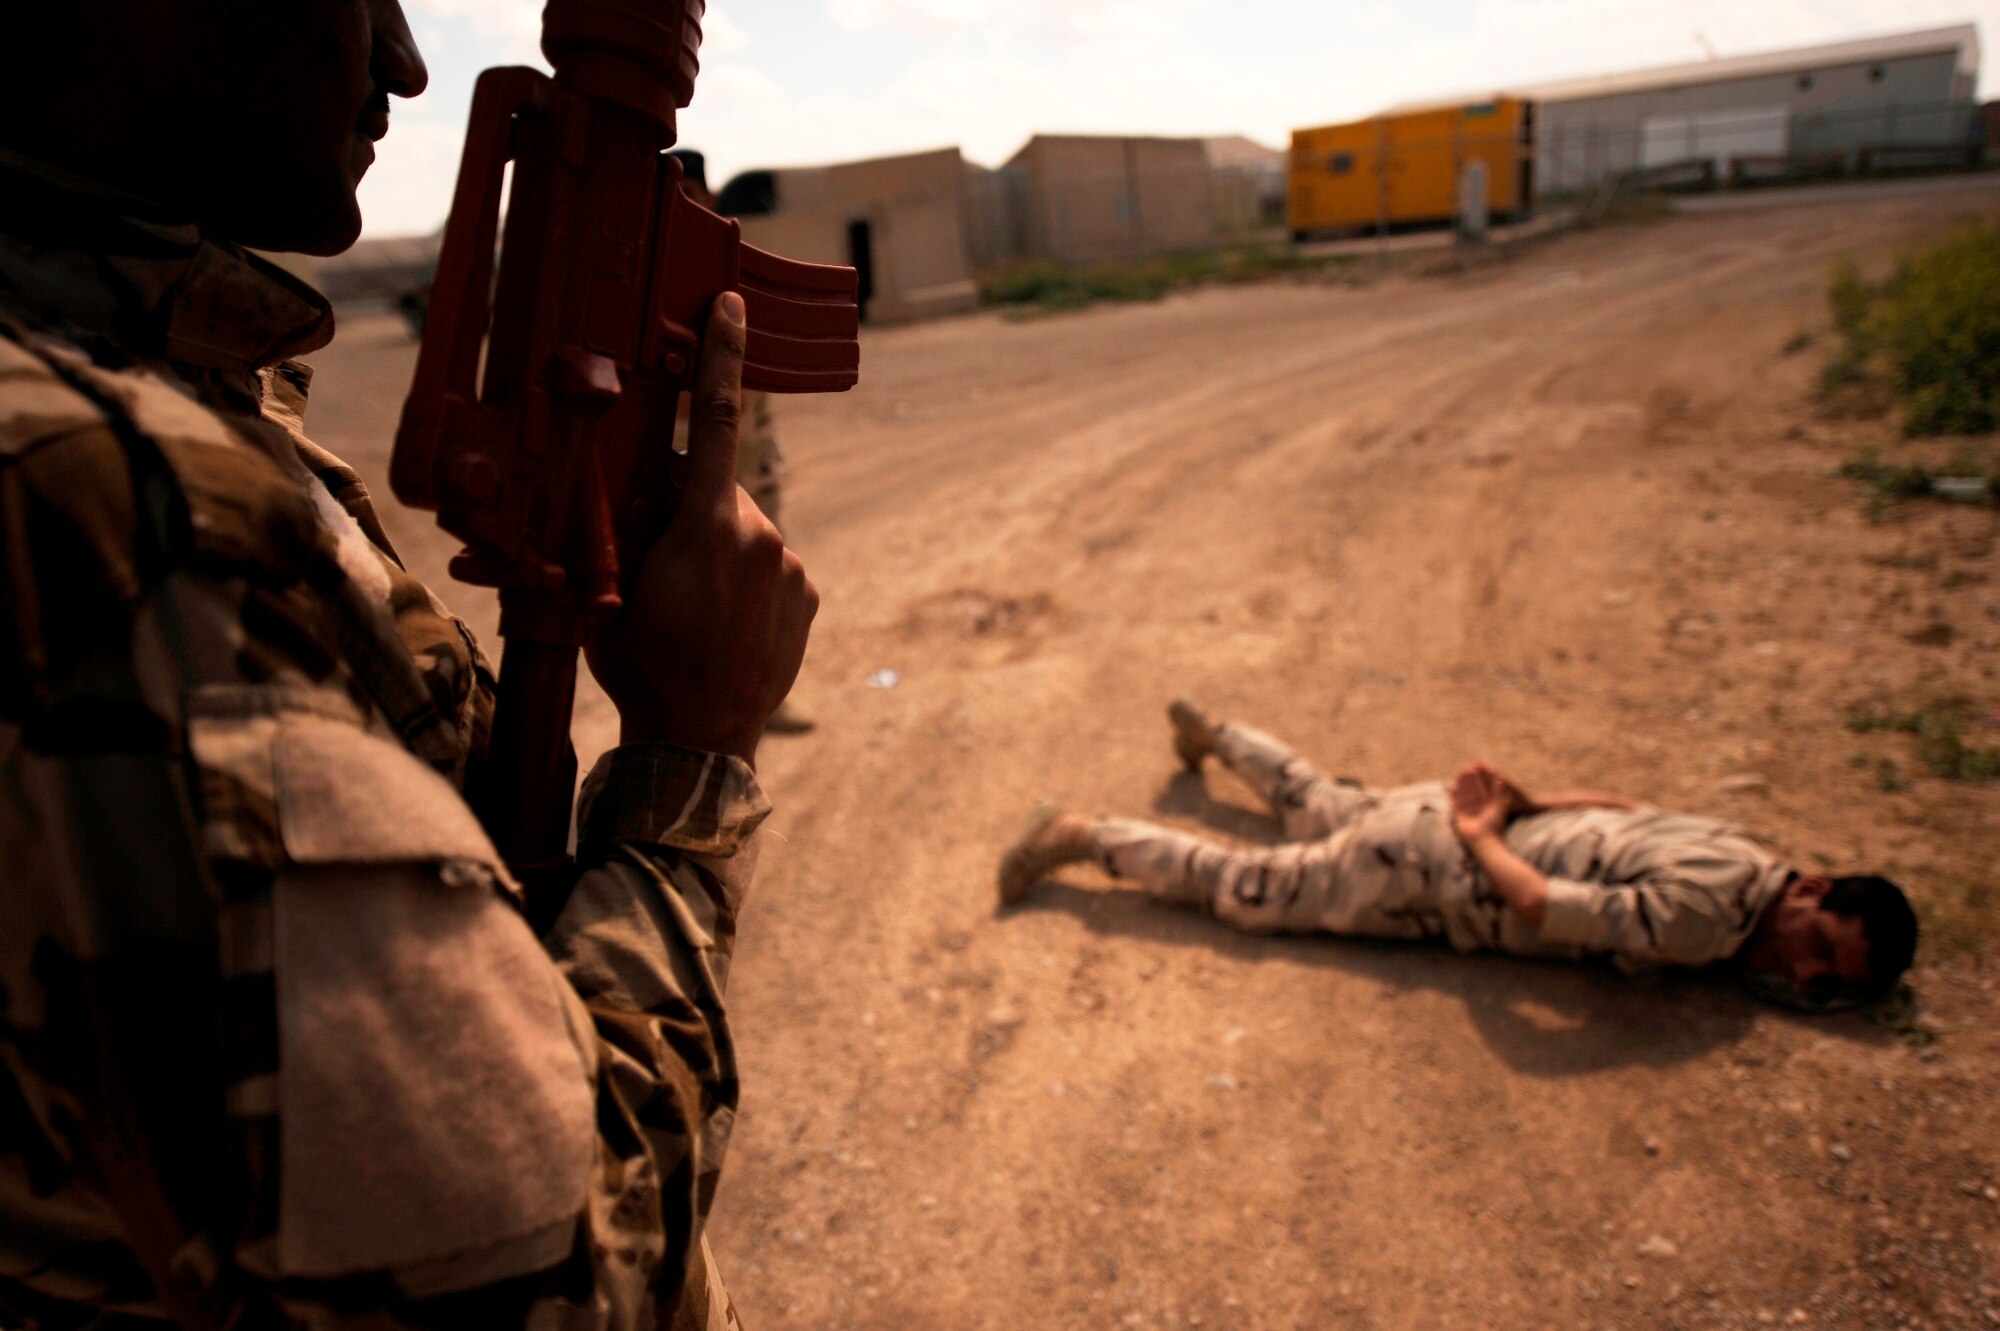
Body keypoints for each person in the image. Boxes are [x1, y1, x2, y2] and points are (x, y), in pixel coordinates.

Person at [0, 3, 815, 1327]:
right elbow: (542, 1284)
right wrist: (692, 749)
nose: (403, 58)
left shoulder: (157, 386)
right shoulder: (112, 507)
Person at [1000, 701, 1918, 1009]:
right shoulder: (1709, 924)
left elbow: (1625, 810)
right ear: (1815, 890)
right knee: (1247, 886)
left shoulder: (1739, 851)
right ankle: (1082, 836)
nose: (1800, 972)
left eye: (1823, 981)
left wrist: (1520, 805)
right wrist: (1485, 838)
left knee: (1315, 802)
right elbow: (1542, 910)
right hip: (1446, 872)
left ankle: (1219, 729)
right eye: (1819, 947)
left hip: (1447, 821)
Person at [669, 147, 813, 735]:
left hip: (753, 447)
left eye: (695, 196)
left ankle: (760, 699)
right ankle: (695, 707)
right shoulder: (657, 274)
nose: (690, 207)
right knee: (696, 582)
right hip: (690, 448)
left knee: (759, 573)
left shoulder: (726, 262)